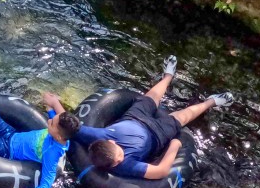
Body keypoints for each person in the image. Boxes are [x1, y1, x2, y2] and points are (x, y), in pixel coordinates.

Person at [51, 55, 234, 180]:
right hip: (157, 134)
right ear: (113, 166)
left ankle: (168, 76)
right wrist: (174, 145)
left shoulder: (96, 137)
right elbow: (161, 171)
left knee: (151, 98)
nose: (121, 158)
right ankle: (211, 102)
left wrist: (54, 103)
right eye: (118, 160)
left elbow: (70, 125)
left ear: (111, 143)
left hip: (134, 118)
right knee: (182, 117)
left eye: (119, 154)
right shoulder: (125, 166)